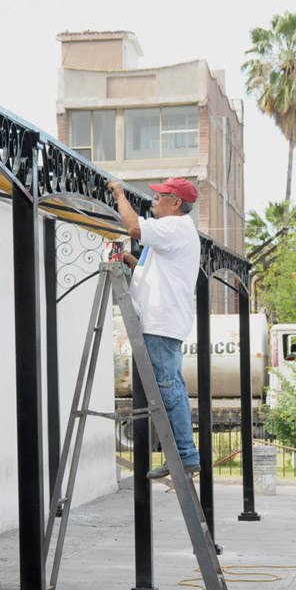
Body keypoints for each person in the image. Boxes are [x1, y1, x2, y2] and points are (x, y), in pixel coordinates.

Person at [107, 176, 200, 479]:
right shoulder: (176, 232)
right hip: (165, 321)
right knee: (171, 388)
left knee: (168, 391)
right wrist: (131, 260)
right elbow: (155, 271)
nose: (154, 200)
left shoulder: (173, 227)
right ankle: (183, 455)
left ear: (177, 204)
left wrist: (120, 194)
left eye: (161, 196)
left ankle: (185, 456)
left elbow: (134, 228)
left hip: (161, 323)